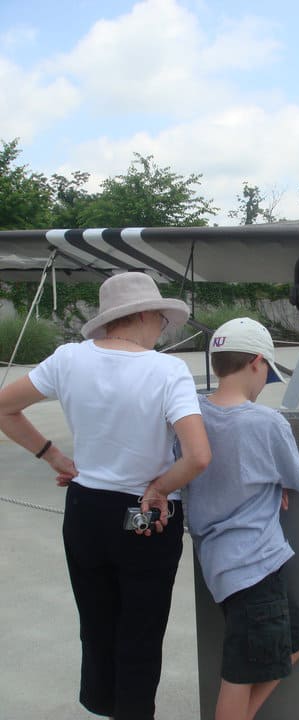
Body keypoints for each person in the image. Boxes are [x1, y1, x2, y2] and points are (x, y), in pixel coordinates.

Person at [0, 271, 211, 720]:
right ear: (145, 315)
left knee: (97, 624)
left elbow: (5, 405)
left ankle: (105, 705)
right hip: (145, 512)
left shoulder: (68, 359)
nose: (163, 328)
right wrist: (159, 486)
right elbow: (197, 456)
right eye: (161, 319)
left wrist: (53, 456)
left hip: (86, 508)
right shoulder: (168, 370)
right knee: (141, 628)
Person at [186, 317, 299, 720]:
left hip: (220, 564)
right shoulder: (267, 421)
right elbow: (298, 479)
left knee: (297, 638)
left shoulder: (192, 416)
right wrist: (279, 487)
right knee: (239, 674)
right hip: (255, 565)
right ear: (258, 362)